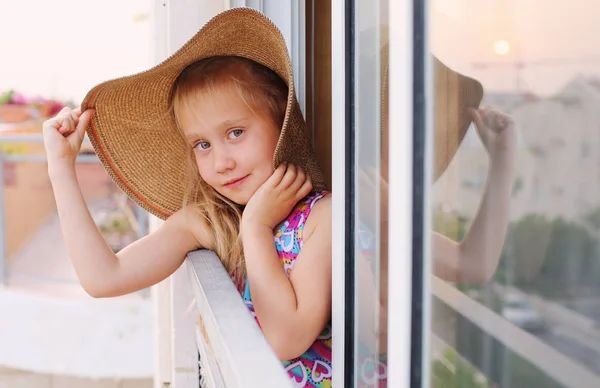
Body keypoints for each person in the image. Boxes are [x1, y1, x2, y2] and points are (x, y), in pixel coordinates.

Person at [42, 8, 332, 387]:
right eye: (202, 144)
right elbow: (103, 277)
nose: (222, 162)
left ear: (282, 123)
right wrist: (61, 169)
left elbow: (286, 339)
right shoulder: (211, 220)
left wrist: (257, 227)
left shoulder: (323, 218)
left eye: (236, 132)